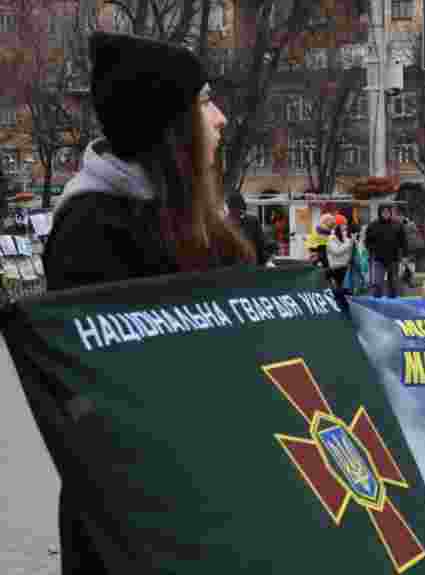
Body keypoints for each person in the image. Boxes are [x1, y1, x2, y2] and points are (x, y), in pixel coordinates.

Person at [42, 32, 255, 573]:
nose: (221, 118)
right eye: (205, 102)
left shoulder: (192, 220)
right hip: (137, 521)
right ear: (167, 123)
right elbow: (116, 398)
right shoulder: (92, 227)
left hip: (209, 505)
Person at [364, 206, 407, 298]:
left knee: (393, 283)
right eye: (384, 212)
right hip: (378, 258)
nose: (386, 214)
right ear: (380, 213)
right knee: (377, 282)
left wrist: (404, 256)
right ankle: (376, 300)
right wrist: (372, 250)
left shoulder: (397, 225)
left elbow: (403, 242)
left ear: (390, 213)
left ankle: (393, 300)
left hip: (393, 258)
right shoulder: (373, 225)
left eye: (388, 212)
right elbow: (367, 241)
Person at [226, 193, 269, 265]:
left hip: (250, 264)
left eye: (239, 208)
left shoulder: (252, 222)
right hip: (233, 265)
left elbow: (261, 244)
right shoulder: (224, 224)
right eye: (233, 208)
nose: (237, 212)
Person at [325, 221, 354, 291]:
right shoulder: (332, 238)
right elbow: (337, 251)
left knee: (342, 289)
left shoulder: (346, 239)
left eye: (346, 229)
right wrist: (348, 243)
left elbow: (349, 252)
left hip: (344, 266)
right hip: (335, 267)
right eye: (343, 229)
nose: (345, 231)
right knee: (337, 288)